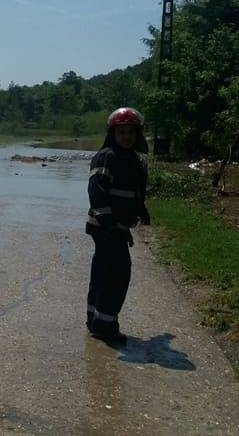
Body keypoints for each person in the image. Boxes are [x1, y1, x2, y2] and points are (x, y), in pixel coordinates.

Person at [85, 107, 150, 344]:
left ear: (138, 135)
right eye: (122, 132)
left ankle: (96, 319)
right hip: (105, 227)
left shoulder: (134, 161)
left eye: (130, 132)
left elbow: (135, 193)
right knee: (118, 275)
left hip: (115, 227)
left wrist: (142, 211)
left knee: (103, 273)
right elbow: (97, 193)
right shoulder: (106, 157)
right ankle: (105, 325)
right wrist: (111, 224)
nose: (126, 137)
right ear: (113, 134)